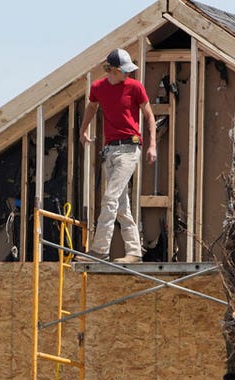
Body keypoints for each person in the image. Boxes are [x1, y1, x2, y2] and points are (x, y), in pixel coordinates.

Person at [80, 48, 158, 264]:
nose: (128, 75)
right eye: (124, 71)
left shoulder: (135, 88)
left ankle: (99, 251)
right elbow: (92, 107)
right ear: (112, 70)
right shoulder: (98, 88)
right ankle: (134, 252)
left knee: (110, 198)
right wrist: (83, 130)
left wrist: (152, 145)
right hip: (110, 151)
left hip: (129, 150)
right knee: (121, 206)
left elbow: (149, 116)